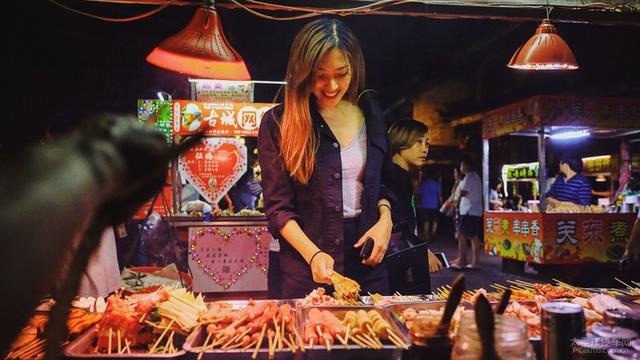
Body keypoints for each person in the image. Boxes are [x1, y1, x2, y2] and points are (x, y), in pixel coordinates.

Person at [0, 115, 179, 356]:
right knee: (86, 315)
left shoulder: (80, 174)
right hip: (73, 283)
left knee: (97, 314)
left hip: (89, 276)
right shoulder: (54, 179)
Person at [258, 18, 395, 299]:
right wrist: (313, 254)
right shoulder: (277, 123)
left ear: (354, 68)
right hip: (307, 265)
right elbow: (278, 207)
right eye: (320, 75)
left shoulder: (371, 111)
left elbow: (384, 183)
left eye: (341, 74)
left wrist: (385, 222)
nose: (332, 85)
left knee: (375, 339)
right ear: (303, 71)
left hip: (369, 264)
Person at [387, 119, 443, 274]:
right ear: (401, 140)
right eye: (418, 142)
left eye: (426, 143)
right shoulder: (396, 176)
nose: (424, 149)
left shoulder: (400, 174)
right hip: (396, 258)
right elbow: (397, 223)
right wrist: (421, 250)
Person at [451, 156, 483, 270]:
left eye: (462, 165)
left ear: (466, 166)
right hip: (472, 210)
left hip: (469, 211)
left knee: (463, 235)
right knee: (471, 236)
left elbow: (463, 192)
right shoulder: (474, 177)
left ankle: (463, 260)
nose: (461, 167)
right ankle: (471, 260)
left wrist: (457, 195)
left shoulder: (470, 178)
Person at [416, 169, 442, 242]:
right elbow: (439, 197)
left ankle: (426, 235)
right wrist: (441, 205)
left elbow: (419, 195)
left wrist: (417, 203)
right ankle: (433, 234)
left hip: (424, 205)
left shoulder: (422, 184)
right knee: (434, 220)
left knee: (426, 221)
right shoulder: (436, 184)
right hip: (434, 205)